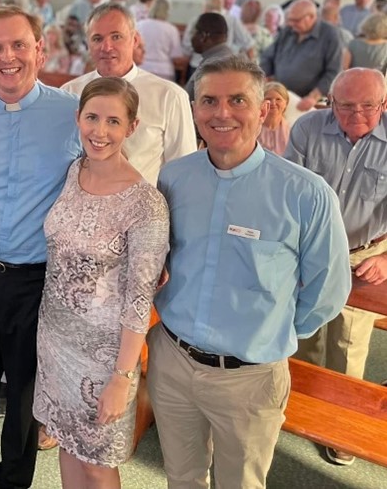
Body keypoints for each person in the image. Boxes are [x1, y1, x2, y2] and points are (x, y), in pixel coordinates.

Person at [149, 57, 351, 489]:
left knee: (240, 484)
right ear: (195, 110)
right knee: (180, 478)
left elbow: (329, 290)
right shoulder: (174, 178)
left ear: (263, 110)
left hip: (250, 375)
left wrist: (269, 332)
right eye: (209, 101)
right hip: (172, 361)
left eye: (237, 100)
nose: (222, 113)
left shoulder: (305, 193)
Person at [0, 6, 83, 489]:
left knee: (27, 396)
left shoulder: (69, 114)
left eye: (18, 45)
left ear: (40, 50)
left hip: (36, 277)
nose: (8, 57)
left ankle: (13, 482)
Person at [34, 77, 169, 489]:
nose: (100, 131)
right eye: (92, 117)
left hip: (104, 356)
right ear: (78, 119)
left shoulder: (145, 204)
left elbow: (139, 298)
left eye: (113, 121)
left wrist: (122, 378)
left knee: (97, 462)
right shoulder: (75, 171)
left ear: (131, 127)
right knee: (70, 447)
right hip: (54, 340)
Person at [286, 68, 387, 466]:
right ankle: (307, 405)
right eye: (345, 105)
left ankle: (344, 422)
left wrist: (385, 257)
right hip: (311, 248)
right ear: (331, 102)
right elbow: (287, 191)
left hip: (365, 255)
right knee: (307, 327)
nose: (356, 114)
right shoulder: (308, 128)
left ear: (383, 104)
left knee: (347, 339)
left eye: (367, 106)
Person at [62, 3, 196, 185]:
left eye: (116, 37)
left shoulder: (169, 96)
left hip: (143, 207)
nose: (106, 47)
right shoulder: (69, 93)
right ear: (88, 44)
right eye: (97, 39)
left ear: (135, 40)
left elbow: (184, 172)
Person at [261, 0, 343, 111]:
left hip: (309, 100)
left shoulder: (330, 35)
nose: (291, 24)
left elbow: (333, 71)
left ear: (311, 17)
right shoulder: (288, 31)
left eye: (296, 20)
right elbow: (268, 56)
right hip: (279, 96)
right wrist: (263, 78)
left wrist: (313, 97)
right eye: (290, 20)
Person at [184, 13, 233, 101]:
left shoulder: (214, 65)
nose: (191, 38)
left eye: (193, 33)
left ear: (203, 36)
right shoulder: (225, 57)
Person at [136, 0, 186, 81]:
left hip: (142, 67)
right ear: (168, 11)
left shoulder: (140, 25)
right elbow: (176, 56)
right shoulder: (171, 29)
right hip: (164, 70)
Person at [258, 81, 291, 155]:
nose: (273, 103)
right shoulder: (252, 129)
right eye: (268, 99)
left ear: (286, 103)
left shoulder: (293, 130)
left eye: (278, 99)